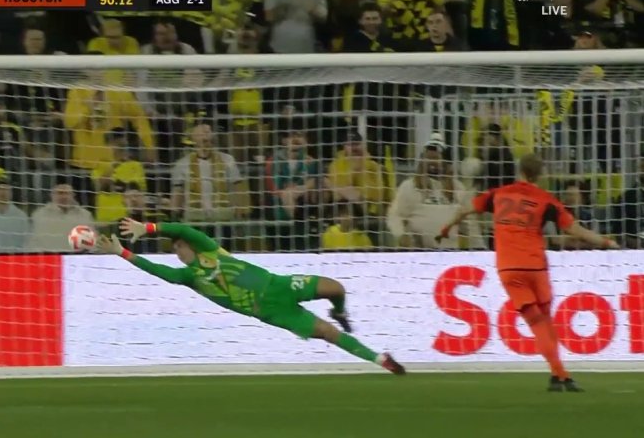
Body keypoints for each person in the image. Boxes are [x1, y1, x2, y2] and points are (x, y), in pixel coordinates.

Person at [96, 218, 405, 375]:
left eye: (178, 244)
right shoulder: (188, 277)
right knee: (327, 334)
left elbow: (184, 228)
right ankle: (382, 360)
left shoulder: (209, 248)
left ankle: (340, 310)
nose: (177, 248)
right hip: (268, 310)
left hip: (278, 285)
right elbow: (155, 270)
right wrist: (122, 252)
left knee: (335, 288)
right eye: (174, 247)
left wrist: (147, 227)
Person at [436, 154, 618, 392]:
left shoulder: (498, 194)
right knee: (545, 320)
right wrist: (606, 242)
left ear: (519, 171)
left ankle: (558, 375)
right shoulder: (546, 200)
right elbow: (575, 230)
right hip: (537, 268)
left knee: (537, 322)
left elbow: (464, 210)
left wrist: (445, 228)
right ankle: (560, 375)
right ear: (540, 175)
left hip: (510, 270)